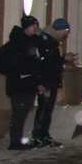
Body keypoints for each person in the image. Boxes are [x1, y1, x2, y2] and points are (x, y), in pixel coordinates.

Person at [0, 17, 43, 150]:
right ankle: (15, 142)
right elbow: (3, 64)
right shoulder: (15, 45)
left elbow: (35, 65)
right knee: (19, 113)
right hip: (19, 84)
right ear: (27, 27)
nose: (36, 28)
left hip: (27, 83)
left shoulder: (31, 43)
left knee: (22, 112)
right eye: (34, 26)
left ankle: (17, 140)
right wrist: (20, 70)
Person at [29, 18, 72, 147]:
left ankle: (43, 135)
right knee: (44, 109)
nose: (66, 35)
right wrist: (41, 83)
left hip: (49, 81)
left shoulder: (50, 42)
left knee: (47, 109)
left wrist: (62, 60)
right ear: (60, 30)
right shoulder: (46, 42)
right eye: (66, 31)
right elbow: (44, 64)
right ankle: (38, 136)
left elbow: (51, 63)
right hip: (46, 81)